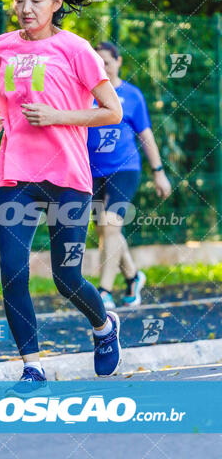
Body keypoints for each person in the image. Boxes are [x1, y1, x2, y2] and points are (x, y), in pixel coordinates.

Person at [0, 0, 124, 394]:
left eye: (35, 0)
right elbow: (5, 106)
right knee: (12, 271)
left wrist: (57, 116)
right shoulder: (3, 46)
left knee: (67, 280)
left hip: (66, 175)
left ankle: (104, 325)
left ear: (57, 2)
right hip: (17, 175)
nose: (25, 8)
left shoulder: (77, 49)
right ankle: (32, 366)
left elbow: (112, 111)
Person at [87, 41, 172, 310]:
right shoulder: (86, 94)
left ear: (119, 62)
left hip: (125, 168)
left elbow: (146, 136)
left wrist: (158, 172)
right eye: (98, 64)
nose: (104, 68)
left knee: (110, 226)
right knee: (104, 230)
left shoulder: (132, 95)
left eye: (108, 63)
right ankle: (134, 278)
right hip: (91, 171)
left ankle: (104, 292)